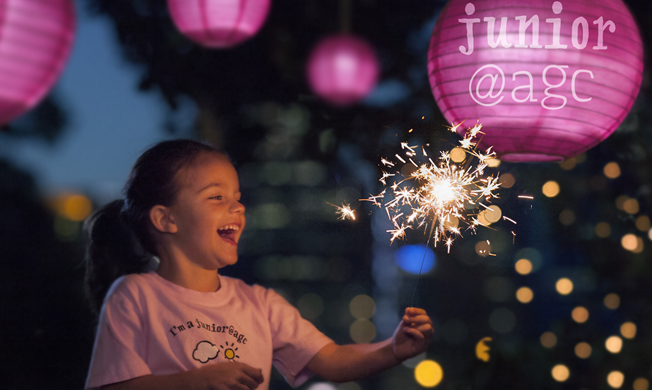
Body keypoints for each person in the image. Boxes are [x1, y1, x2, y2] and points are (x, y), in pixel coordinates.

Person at [84, 139, 434, 390]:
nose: (237, 208)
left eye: (237, 198)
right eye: (217, 197)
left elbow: (332, 359)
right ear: (166, 219)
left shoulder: (260, 305)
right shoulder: (134, 295)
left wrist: (393, 349)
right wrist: (196, 381)